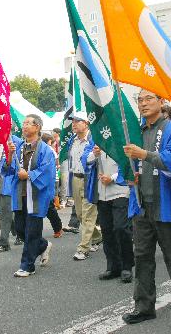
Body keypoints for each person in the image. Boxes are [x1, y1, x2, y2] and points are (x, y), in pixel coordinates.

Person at [121, 89, 171, 324]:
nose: (143, 103)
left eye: (148, 98)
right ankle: (144, 306)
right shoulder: (136, 131)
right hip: (140, 204)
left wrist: (145, 154)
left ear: (161, 102)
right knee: (142, 256)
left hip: (166, 203)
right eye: (139, 100)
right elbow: (127, 164)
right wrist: (128, 175)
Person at [3, 114, 55, 277]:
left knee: (32, 231)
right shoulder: (18, 147)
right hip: (20, 194)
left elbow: (47, 172)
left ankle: (27, 265)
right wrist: (10, 156)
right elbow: (8, 170)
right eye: (24, 123)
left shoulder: (45, 150)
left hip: (36, 196)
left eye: (28, 123)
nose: (24, 126)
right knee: (20, 230)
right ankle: (43, 245)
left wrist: (30, 175)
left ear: (37, 127)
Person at [85, 145, 134, 283]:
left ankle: (127, 266)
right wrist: (94, 154)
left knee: (121, 227)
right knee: (106, 230)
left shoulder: (119, 136)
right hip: (102, 193)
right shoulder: (96, 137)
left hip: (121, 190)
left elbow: (129, 163)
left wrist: (112, 177)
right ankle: (113, 266)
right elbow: (85, 160)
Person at [67, 112, 102, 261]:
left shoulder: (94, 139)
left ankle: (83, 248)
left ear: (86, 123)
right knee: (81, 214)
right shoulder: (72, 140)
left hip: (91, 179)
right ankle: (97, 236)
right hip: (75, 178)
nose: (74, 124)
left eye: (78, 121)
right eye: (73, 121)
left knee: (88, 214)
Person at [0, 135, 22, 253]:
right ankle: (20, 233)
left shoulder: (17, 142)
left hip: (8, 181)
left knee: (5, 212)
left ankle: (3, 242)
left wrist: (9, 156)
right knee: (5, 211)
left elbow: (15, 165)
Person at [41, 133, 63, 238]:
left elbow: (55, 165)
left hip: (50, 180)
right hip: (37, 181)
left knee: (49, 206)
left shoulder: (50, 150)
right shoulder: (37, 147)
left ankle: (58, 227)